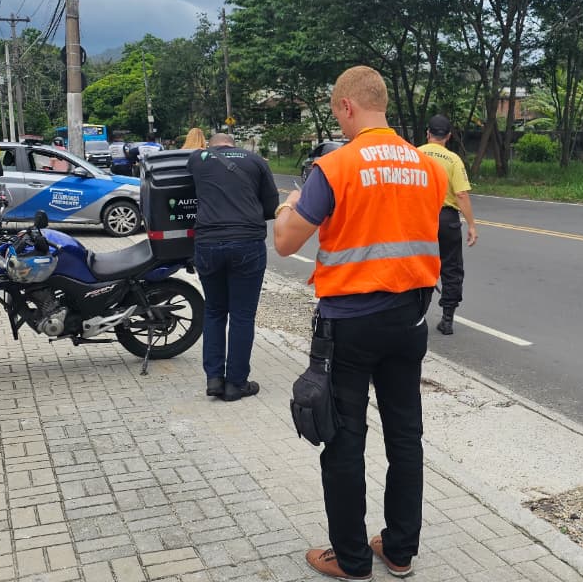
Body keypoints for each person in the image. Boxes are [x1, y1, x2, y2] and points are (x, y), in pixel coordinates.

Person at [273, 66, 446, 581]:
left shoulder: (335, 166)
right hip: (410, 321)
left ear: (348, 106)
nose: (338, 124)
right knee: (405, 436)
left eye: (336, 113)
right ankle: (399, 551)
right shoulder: (427, 167)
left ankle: (350, 560)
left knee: (345, 439)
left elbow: (286, 243)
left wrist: (288, 204)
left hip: (349, 325)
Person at [188, 132, 280, 401]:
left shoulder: (198, 159)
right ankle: (236, 384)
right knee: (242, 315)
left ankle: (214, 379)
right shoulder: (255, 161)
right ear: (233, 145)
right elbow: (271, 206)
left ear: (212, 145)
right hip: (247, 244)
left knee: (215, 310)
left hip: (207, 244)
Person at [417, 114, 478, 335]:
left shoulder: (415, 155)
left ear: (428, 133)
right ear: (449, 136)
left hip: (419, 217)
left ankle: (415, 315)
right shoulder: (453, 160)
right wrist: (471, 224)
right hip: (446, 219)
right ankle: (447, 319)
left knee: (418, 264)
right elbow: (461, 194)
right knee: (451, 268)